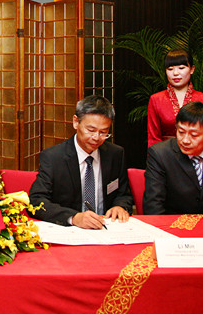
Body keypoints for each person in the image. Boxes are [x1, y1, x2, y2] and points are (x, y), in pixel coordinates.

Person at [29, 95, 134, 229]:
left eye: (104, 132)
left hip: (106, 227)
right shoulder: (54, 157)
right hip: (71, 230)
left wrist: (120, 206)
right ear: (76, 122)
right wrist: (73, 217)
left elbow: (123, 194)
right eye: (91, 130)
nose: (96, 138)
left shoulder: (115, 154)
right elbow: (36, 201)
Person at [147, 49, 203, 147]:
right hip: (165, 153)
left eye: (181, 68)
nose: (175, 73)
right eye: (170, 69)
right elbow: (153, 138)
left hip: (195, 152)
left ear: (192, 69)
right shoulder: (156, 99)